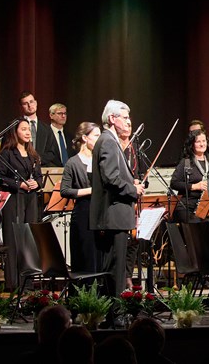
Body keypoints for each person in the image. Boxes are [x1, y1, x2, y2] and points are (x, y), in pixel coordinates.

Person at [90, 100, 145, 298]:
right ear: (113, 119)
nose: (129, 122)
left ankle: (112, 314)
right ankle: (115, 316)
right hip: (113, 217)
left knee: (114, 269)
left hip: (114, 217)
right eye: (125, 117)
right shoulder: (108, 142)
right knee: (115, 270)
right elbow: (111, 178)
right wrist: (133, 189)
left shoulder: (108, 141)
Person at [0, 118, 42, 290]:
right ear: (15, 133)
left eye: (29, 129)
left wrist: (37, 183)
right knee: (14, 240)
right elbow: (0, 178)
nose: (28, 132)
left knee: (29, 239)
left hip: (30, 200)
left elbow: (39, 177)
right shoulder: (7, 153)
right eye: (24, 129)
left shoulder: (33, 154)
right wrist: (19, 184)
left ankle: (28, 282)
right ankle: (13, 283)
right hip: (14, 199)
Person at [60, 121, 101, 273]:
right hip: (83, 213)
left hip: (100, 213)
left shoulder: (100, 161)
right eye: (96, 135)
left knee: (99, 255)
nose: (100, 139)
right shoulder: (73, 163)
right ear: (85, 138)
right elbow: (65, 190)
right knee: (85, 254)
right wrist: (91, 190)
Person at [170, 129, 209, 224]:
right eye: (198, 141)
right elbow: (174, 183)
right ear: (192, 144)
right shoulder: (186, 162)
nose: (202, 144)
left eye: (204, 141)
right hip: (188, 207)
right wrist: (195, 186)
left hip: (206, 206)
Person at [48, 103, 73, 168]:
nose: (63, 116)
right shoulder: (45, 134)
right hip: (52, 172)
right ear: (51, 115)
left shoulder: (69, 136)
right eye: (60, 113)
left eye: (65, 113)